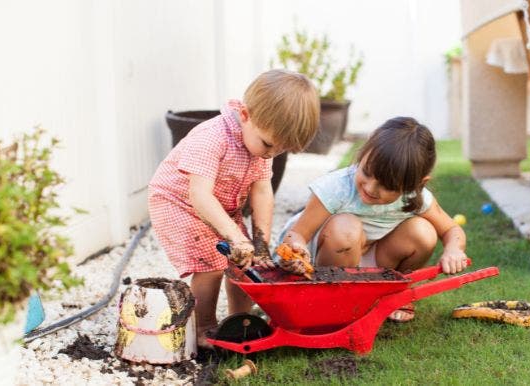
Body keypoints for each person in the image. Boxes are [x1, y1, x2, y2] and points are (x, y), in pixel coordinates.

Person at [148, 69, 320, 347]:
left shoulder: (262, 143)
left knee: (246, 261)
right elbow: (199, 195)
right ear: (244, 115)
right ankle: (203, 328)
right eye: (267, 145)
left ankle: (240, 321)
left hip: (220, 209)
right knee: (211, 264)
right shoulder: (211, 137)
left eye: (279, 150)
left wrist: (260, 244)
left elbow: (263, 192)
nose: (270, 154)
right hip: (179, 203)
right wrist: (236, 237)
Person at [276, 116, 467, 322]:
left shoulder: (413, 197)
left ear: (417, 185)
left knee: (424, 232)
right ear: (363, 153)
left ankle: (393, 292)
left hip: (367, 258)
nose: (370, 188)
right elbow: (296, 234)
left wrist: (453, 250)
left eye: (387, 186)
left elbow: (451, 230)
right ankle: (333, 299)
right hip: (319, 262)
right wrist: (296, 250)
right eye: (366, 172)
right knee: (346, 228)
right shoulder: (336, 188)